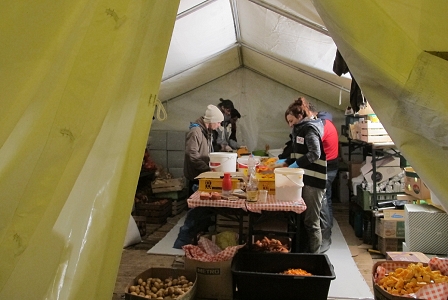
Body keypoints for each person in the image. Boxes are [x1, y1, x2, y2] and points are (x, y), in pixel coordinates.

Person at [280, 97, 327, 254]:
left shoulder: (310, 129)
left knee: (311, 222)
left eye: (291, 120)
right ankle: (304, 251)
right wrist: (285, 162)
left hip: (314, 181)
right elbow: (297, 153)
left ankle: (315, 256)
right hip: (303, 180)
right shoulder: (299, 129)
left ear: (300, 116)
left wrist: (295, 165)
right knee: (303, 220)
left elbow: (315, 153)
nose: (290, 124)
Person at [174, 104, 224, 249]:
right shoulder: (195, 131)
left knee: (202, 212)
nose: (219, 125)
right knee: (195, 212)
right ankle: (182, 242)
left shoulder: (206, 131)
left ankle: (198, 237)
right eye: (219, 122)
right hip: (196, 176)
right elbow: (192, 155)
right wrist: (207, 169)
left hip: (203, 175)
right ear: (212, 120)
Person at [308, 103, 339, 253]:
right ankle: (328, 235)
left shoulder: (323, 127)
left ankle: (324, 239)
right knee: (328, 199)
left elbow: (313, 149)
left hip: (326, 170)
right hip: (332, 168)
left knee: (322, 204)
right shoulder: (331, 125)